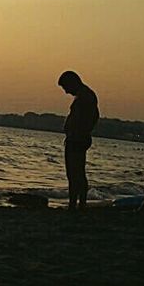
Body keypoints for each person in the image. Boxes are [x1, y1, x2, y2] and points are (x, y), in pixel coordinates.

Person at [58, 71, 99, 210]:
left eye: (65, 87)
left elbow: (88, 118)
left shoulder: (84, 97)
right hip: (78, 137)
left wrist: (77, 132)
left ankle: (75, 203)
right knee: (77, 172)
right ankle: (78, 203)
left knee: (74, 173)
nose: (66, 92)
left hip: (77, 138)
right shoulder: (86, 95)